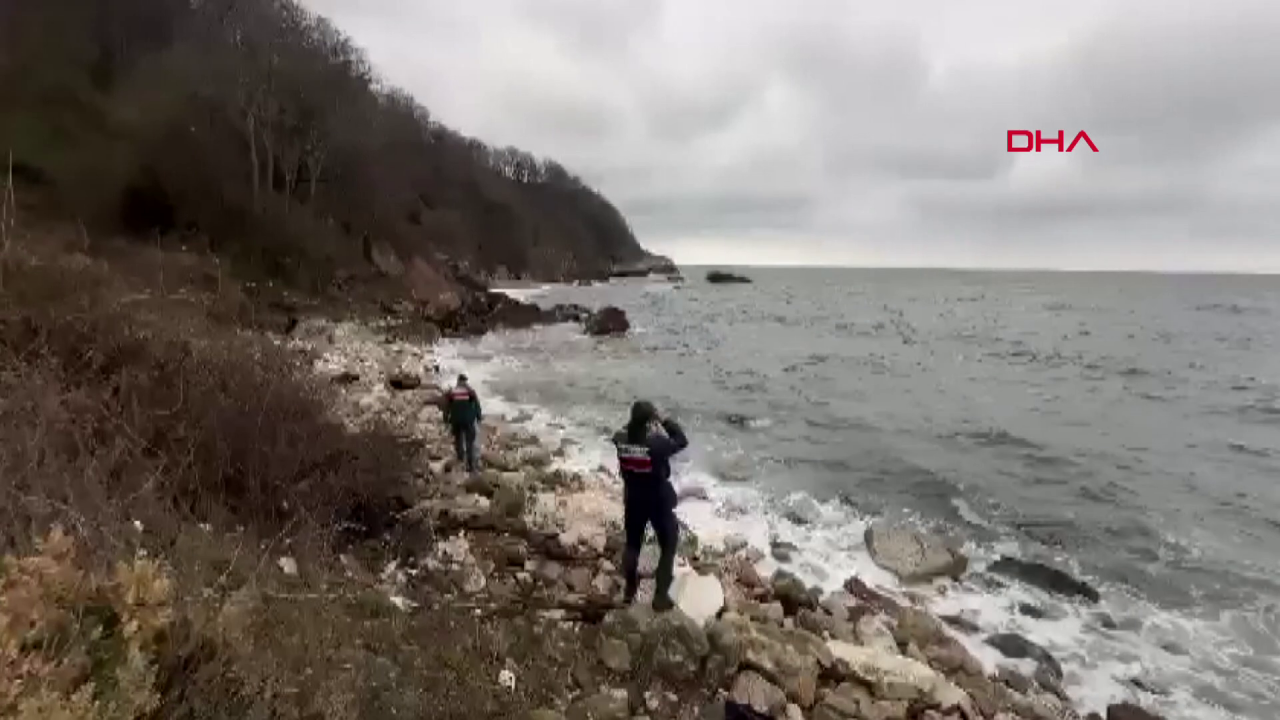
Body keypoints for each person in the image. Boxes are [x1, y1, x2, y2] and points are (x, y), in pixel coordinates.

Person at [612, 400, 689, 611]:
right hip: (657, 500)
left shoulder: (620, 439)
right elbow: (681, 440)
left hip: (634, 499)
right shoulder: (656, 444)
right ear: (649, 423)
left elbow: (627, 431)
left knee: (632, 544)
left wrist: (641, 420)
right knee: (668, 544)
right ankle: (661, 597)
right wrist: (663, 420)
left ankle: (629, 591)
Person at [443, 374, 482, 473]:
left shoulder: (452, 392)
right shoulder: (470, 392)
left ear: (458, 381)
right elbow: (477, 405)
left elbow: (446, 407)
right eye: (465, 381)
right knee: (469, 443)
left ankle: (460, 457)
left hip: (456, 420)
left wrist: (446, 419)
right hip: (468, 421)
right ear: (464, 381)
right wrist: (479, 417)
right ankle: (470, 465)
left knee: (458, 439)